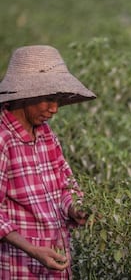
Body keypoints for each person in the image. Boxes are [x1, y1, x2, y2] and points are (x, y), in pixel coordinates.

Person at [0, 45, 96, 279]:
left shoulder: (46, 135)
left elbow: (65, 184)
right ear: (25, 94)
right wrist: (32, 250)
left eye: (58, 101)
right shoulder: (3, 140)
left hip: (56, 260)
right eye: (49, 99)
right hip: (18, 266)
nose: (54, 109)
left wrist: (76, 208)